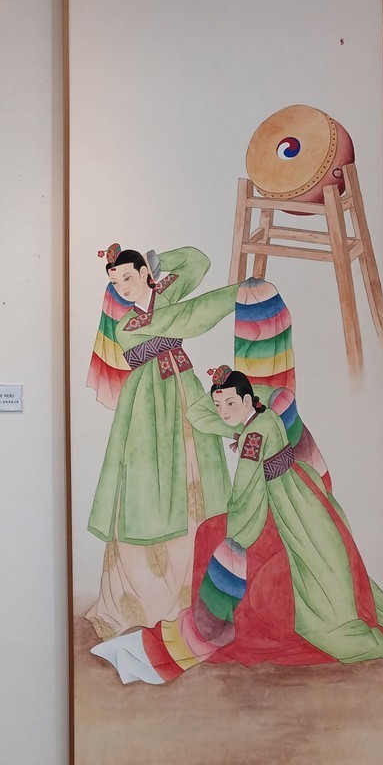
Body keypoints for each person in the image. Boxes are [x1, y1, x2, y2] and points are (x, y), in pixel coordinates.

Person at [91, 365, 383, 684]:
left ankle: (208, 632)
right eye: (218, 405)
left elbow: (246, 492)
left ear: (249, 401)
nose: (223, 412)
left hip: (281, 506)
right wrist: (235, 404)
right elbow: (201, 413)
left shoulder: (254, 437)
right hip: (302, 494)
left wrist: (235, 536)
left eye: (231, 403)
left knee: (213, 536)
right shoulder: (268, 417)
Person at [85, 245, 244, 636]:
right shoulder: (126, 326)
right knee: (152, 489)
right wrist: (226, 297)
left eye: (128, 276)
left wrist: (160, 263)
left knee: (200, 481)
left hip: (186, 395)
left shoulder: (165, 291)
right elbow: (183, 319)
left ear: (144, 272)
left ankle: (201, 591)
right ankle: (150, 599)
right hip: (148, 408)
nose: (122, 287)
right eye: (115, 282)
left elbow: (199, 261)